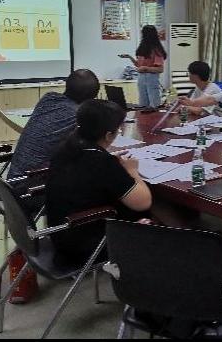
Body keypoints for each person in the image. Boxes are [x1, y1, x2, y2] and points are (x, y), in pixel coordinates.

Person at [45, 99, 152, 264]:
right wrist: (132, 170)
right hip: (86, 245)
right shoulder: (101, 162)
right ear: (108, 135)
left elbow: (88, 170)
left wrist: (111, 161)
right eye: (118, 130)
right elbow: (143, 202)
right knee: (151, 211)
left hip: (60, 231)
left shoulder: (67, 146)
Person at [8, 69, 100, 181]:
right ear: (90, 98)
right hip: (30, 184)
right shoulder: (76, 114)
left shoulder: (48, 98)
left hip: (13, 178)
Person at [120, 25, 166, 109]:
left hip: (152, 78)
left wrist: (146, 68)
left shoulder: (156, 49)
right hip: (141, 77)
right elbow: (139, 65)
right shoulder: (143, 48)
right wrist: (129, 57)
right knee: (143, 103)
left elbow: (160, 69)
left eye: (143, 34)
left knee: (154, 104)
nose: (142, 36)